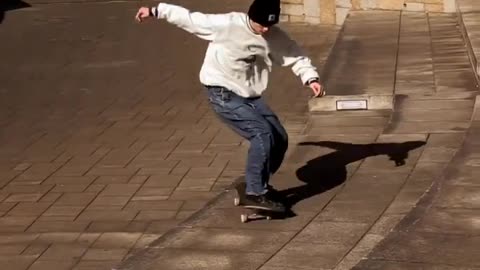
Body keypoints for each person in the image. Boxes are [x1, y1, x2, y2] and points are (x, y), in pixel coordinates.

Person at [135, 0, 325, 212]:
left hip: (250, 96)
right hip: (222, 92)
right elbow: (189, 19)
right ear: (251, 17)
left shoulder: (273, 36)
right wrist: (155, 11)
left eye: (269, 25)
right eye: (260, 24)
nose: (264, 29)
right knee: (262, 134)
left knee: (279, 138)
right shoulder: (226, 24)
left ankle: (257, 183)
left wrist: (311, 79)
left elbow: (295, 55)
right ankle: (255, 192)